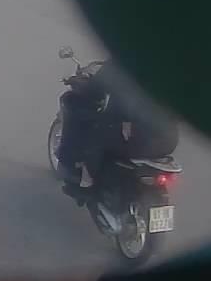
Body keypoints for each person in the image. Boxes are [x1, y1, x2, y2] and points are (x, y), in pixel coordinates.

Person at [56, 61, 180, 189]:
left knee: (96, 132)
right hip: (169, 142)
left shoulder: (120, 63)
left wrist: (78, 82)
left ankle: (88, 178)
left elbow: (95, 89)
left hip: (141, 141)